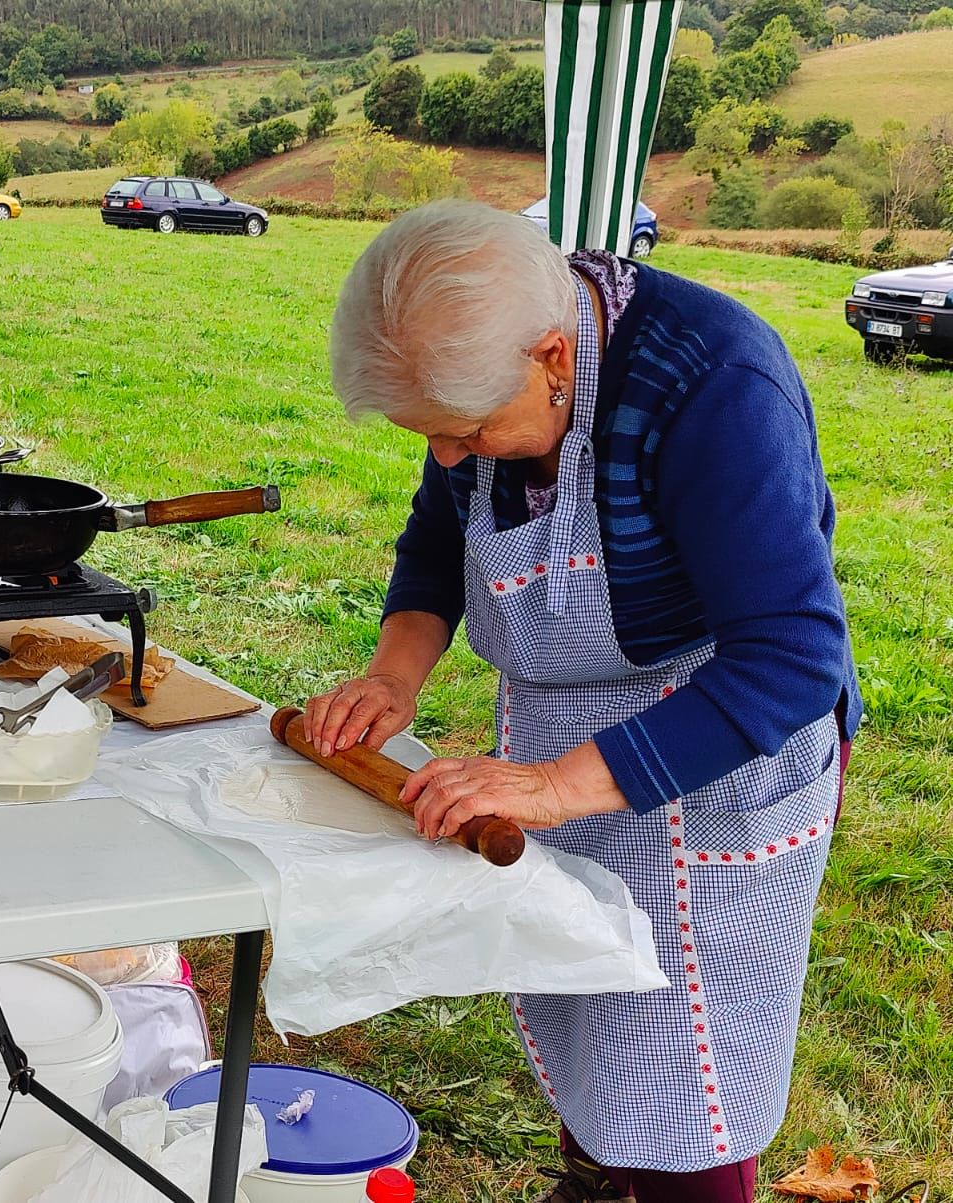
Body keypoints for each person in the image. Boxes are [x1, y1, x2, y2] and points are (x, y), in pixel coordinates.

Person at [307, 200, 859, 1203]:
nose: (445, 455)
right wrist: (393, 676)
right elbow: (438, 544)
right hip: (568, 734)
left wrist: (560, 788)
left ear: (554, 357)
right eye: (428, 436)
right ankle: (599, 1183)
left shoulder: (711, 384)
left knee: (687, 1062)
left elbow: (790, 655)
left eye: (467, 430)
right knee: (584, 982)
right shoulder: (488, 374)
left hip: (721, 738)